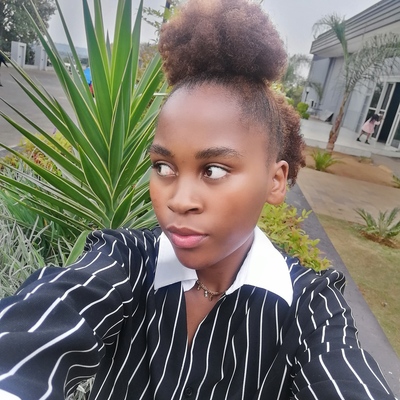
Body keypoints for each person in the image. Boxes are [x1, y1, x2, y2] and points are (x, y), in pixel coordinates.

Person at [0, 0, 396, 399]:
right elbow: (39, 327)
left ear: (276, 181)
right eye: (163, 166)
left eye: (214, 170)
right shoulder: (126, 262)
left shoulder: (310, 309)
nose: (179, 200)